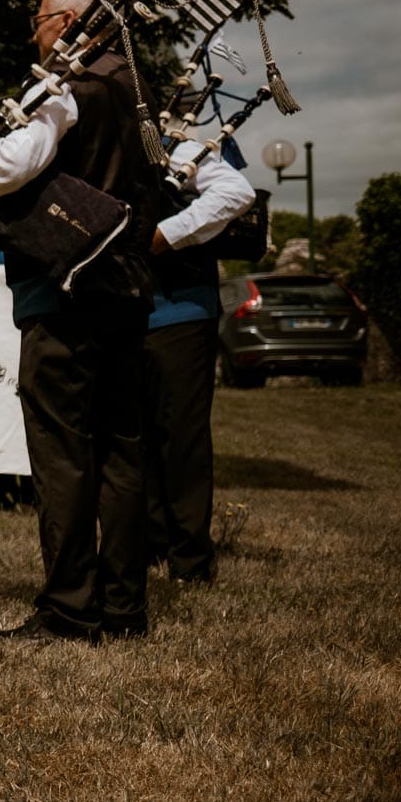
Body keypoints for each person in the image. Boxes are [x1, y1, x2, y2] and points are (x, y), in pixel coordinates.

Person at [0, 0, 159, 643]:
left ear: (72, 20)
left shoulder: (69, 87)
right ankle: (125, 607)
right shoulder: (135, 91)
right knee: (122, 453)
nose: (34, 33)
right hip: (130, 290)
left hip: (67, 294)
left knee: (64, 452)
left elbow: (15, 163)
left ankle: (72, 609)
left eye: (41, 19)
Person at [144, 137, 254, 585]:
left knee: (181, 436)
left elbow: (235, 194)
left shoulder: (178, 144)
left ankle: (189, 557)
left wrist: (164, 236)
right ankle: (150, 546)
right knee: (137, 433)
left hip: (182, 309)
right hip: (122, 312)